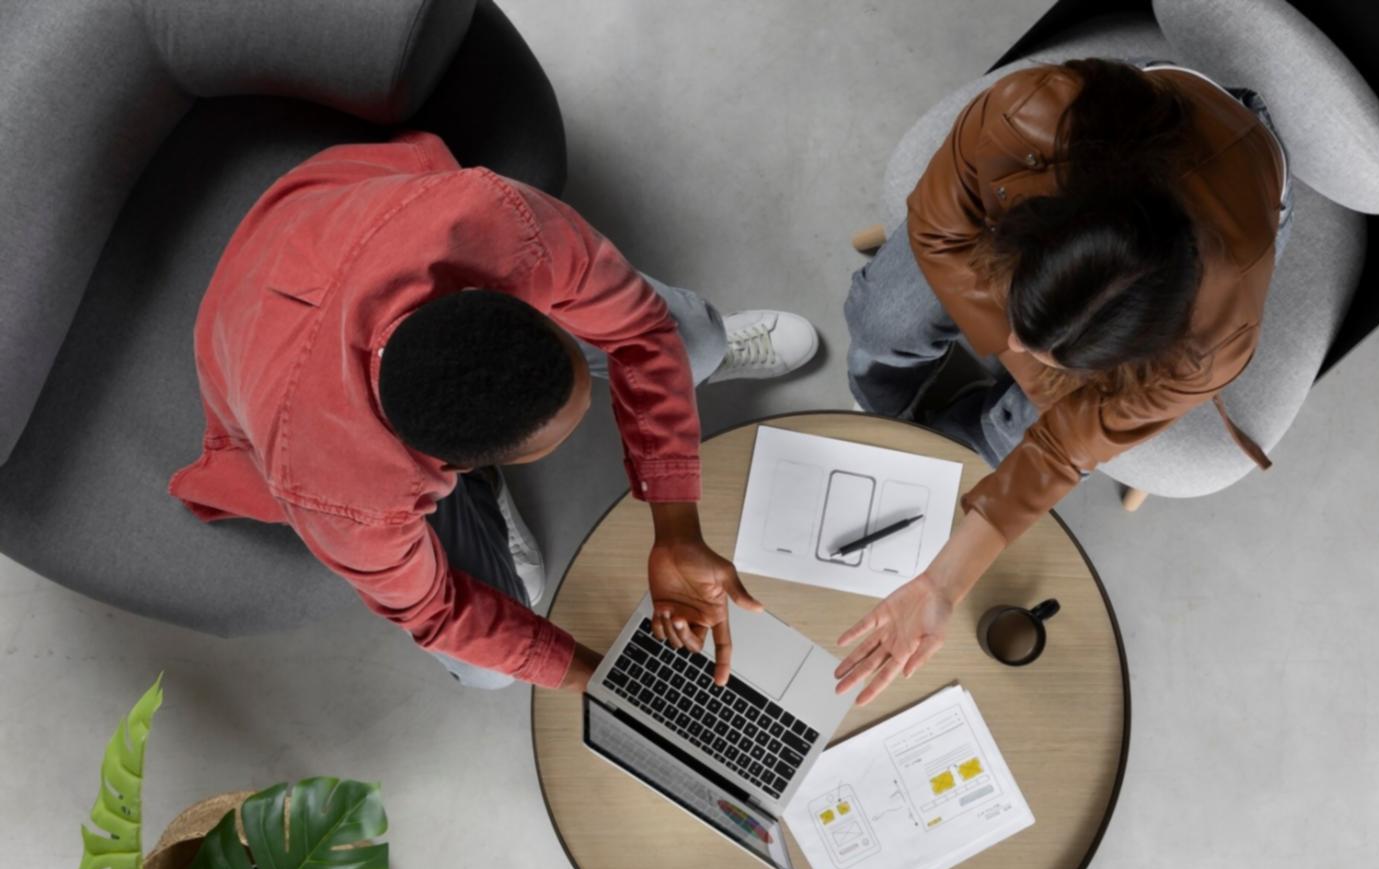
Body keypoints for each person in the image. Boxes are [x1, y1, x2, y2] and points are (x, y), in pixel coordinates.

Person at [170, 131, 819, 692]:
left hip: (330, 227)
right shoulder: (342, 497)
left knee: (687, 345)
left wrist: (676, 527)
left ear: (502, 299)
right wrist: (614, 681)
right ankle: (471, 496)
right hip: (260, 358)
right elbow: (439, 615)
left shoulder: (495, 223)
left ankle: (701, 351)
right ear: (444, 463)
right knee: (487, 672)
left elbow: (641, 335)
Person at [838, 58, 1291, 703]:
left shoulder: (1210, 346)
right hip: (1133, 129)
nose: (1010, 346)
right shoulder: (1030, 118)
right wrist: (1032, 363)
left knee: (1013, 436)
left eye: (1053, 353)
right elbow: (939, 231)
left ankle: (940, 453)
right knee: (882, 319)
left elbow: (1067, 447)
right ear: (1027, 231)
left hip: (1243, 198)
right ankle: (886, 417)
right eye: (1021, 322)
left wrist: (943, 585)